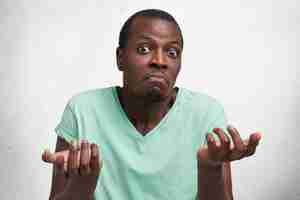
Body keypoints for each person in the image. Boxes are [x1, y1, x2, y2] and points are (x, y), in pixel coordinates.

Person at [42, 9, 261, 200]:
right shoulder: (83, 111)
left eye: (172, 52)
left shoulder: (206, 114)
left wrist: (210, 169)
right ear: (120, 58)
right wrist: (82, 185)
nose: (160, 61)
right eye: (144, 49)